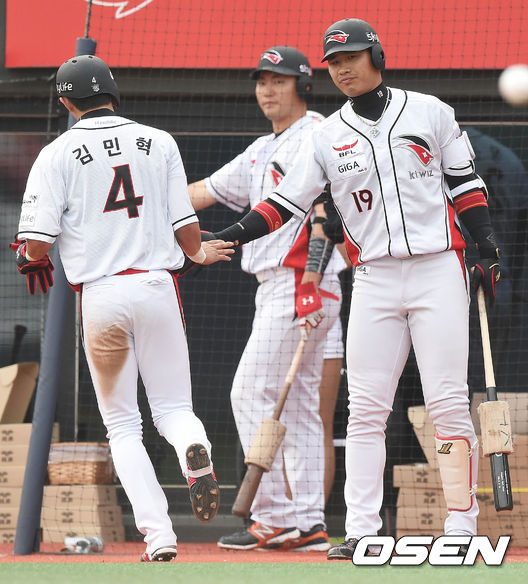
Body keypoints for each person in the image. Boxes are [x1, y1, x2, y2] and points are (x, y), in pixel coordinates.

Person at [208, 18, 502, 561]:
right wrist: (228, 236)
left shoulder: (430, 111)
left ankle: (462, 528)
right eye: (334, 62)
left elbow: (465, 182)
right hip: (373, 278)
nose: (343, 68)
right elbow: (284, 205)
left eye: (352, 57)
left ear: (377, 57)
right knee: (365, 410)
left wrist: (486, 247)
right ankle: (364, 531)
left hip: (438, 269)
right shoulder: (325, 136)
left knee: (447, 404)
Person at [12, 55, 234, 562]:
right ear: (113, 94)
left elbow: (38, 245)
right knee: (175, 410)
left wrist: (27, 254)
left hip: (102, 297)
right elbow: (186, 228)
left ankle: (159, 537)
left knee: (123, 426)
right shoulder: (160, 141)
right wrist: (199, 253)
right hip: (156, 287)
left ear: (67, 102)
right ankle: (193, 450)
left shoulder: (55, 153)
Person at [188, 46, 346, 551]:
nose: (268, 89)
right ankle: (307, 521)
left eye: (279, 80)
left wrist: (310, 282)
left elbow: (326, 213)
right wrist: (141, 202)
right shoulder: (261, 148)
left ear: (303, 84)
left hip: (301, 281)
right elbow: (203, 192)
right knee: (298, 408)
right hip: (279, 287)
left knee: (249, 392)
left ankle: (274, 515)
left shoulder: (318, 133)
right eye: (262, 80)